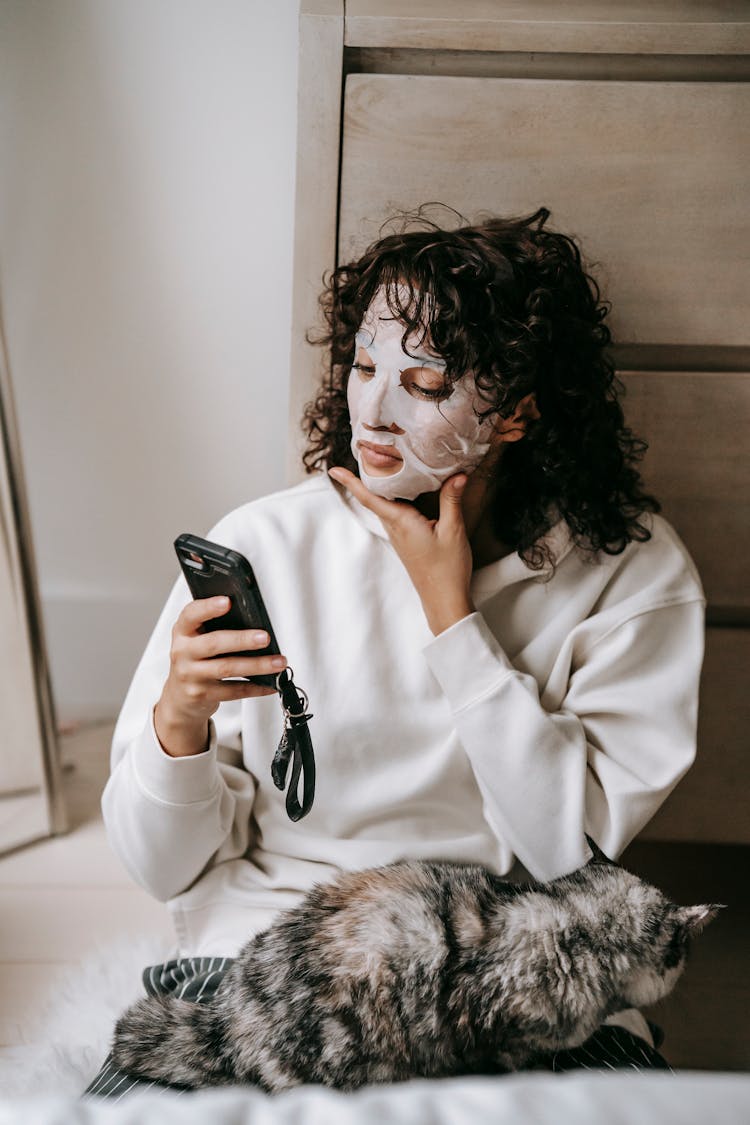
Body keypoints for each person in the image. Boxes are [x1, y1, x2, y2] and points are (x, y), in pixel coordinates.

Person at [87, 207, 704, 1097]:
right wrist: (178, 724)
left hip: (512, 979)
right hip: (268, 965)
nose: (371, 410)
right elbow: (161, 867)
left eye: (424, 382)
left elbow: (565, 850)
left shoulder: (633, 578)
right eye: (365, 367)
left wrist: (451, 617)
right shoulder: (268, 541)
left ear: (520, 410)